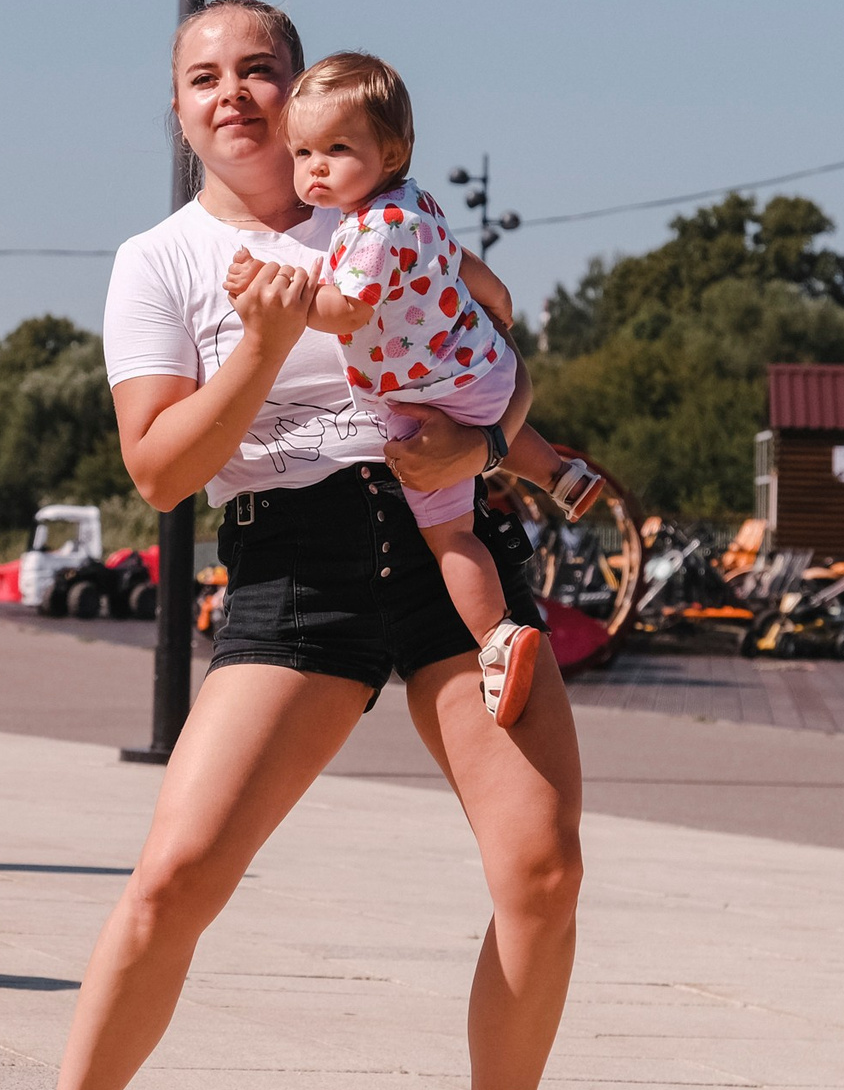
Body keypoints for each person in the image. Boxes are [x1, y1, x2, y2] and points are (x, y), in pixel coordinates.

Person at [0, 0, 600, 1090]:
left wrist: (490, 433)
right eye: (205, 76)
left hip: (446, 546)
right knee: (178, 872)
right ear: (178, 107)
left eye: (260, 69)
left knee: (543, 867)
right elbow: (157, 473)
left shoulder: (383, 212)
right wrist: (257, 346)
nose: (235, 94)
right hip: (295, 563)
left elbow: (497, 338)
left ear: (304, 89)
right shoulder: (161, 261)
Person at [258, 50, 604, 726]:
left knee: (451, 536)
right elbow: (458, 258)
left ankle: (497, 637)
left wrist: (290, 298)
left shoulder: (368, 232)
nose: (315, 167)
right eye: (301, 152)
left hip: (423, 394)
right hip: (481, 364)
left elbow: (345, 310)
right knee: (496, 431)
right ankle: (564, 476)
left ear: (392, 151)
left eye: (336, 148)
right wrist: (496, 294)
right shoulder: (413, 205)